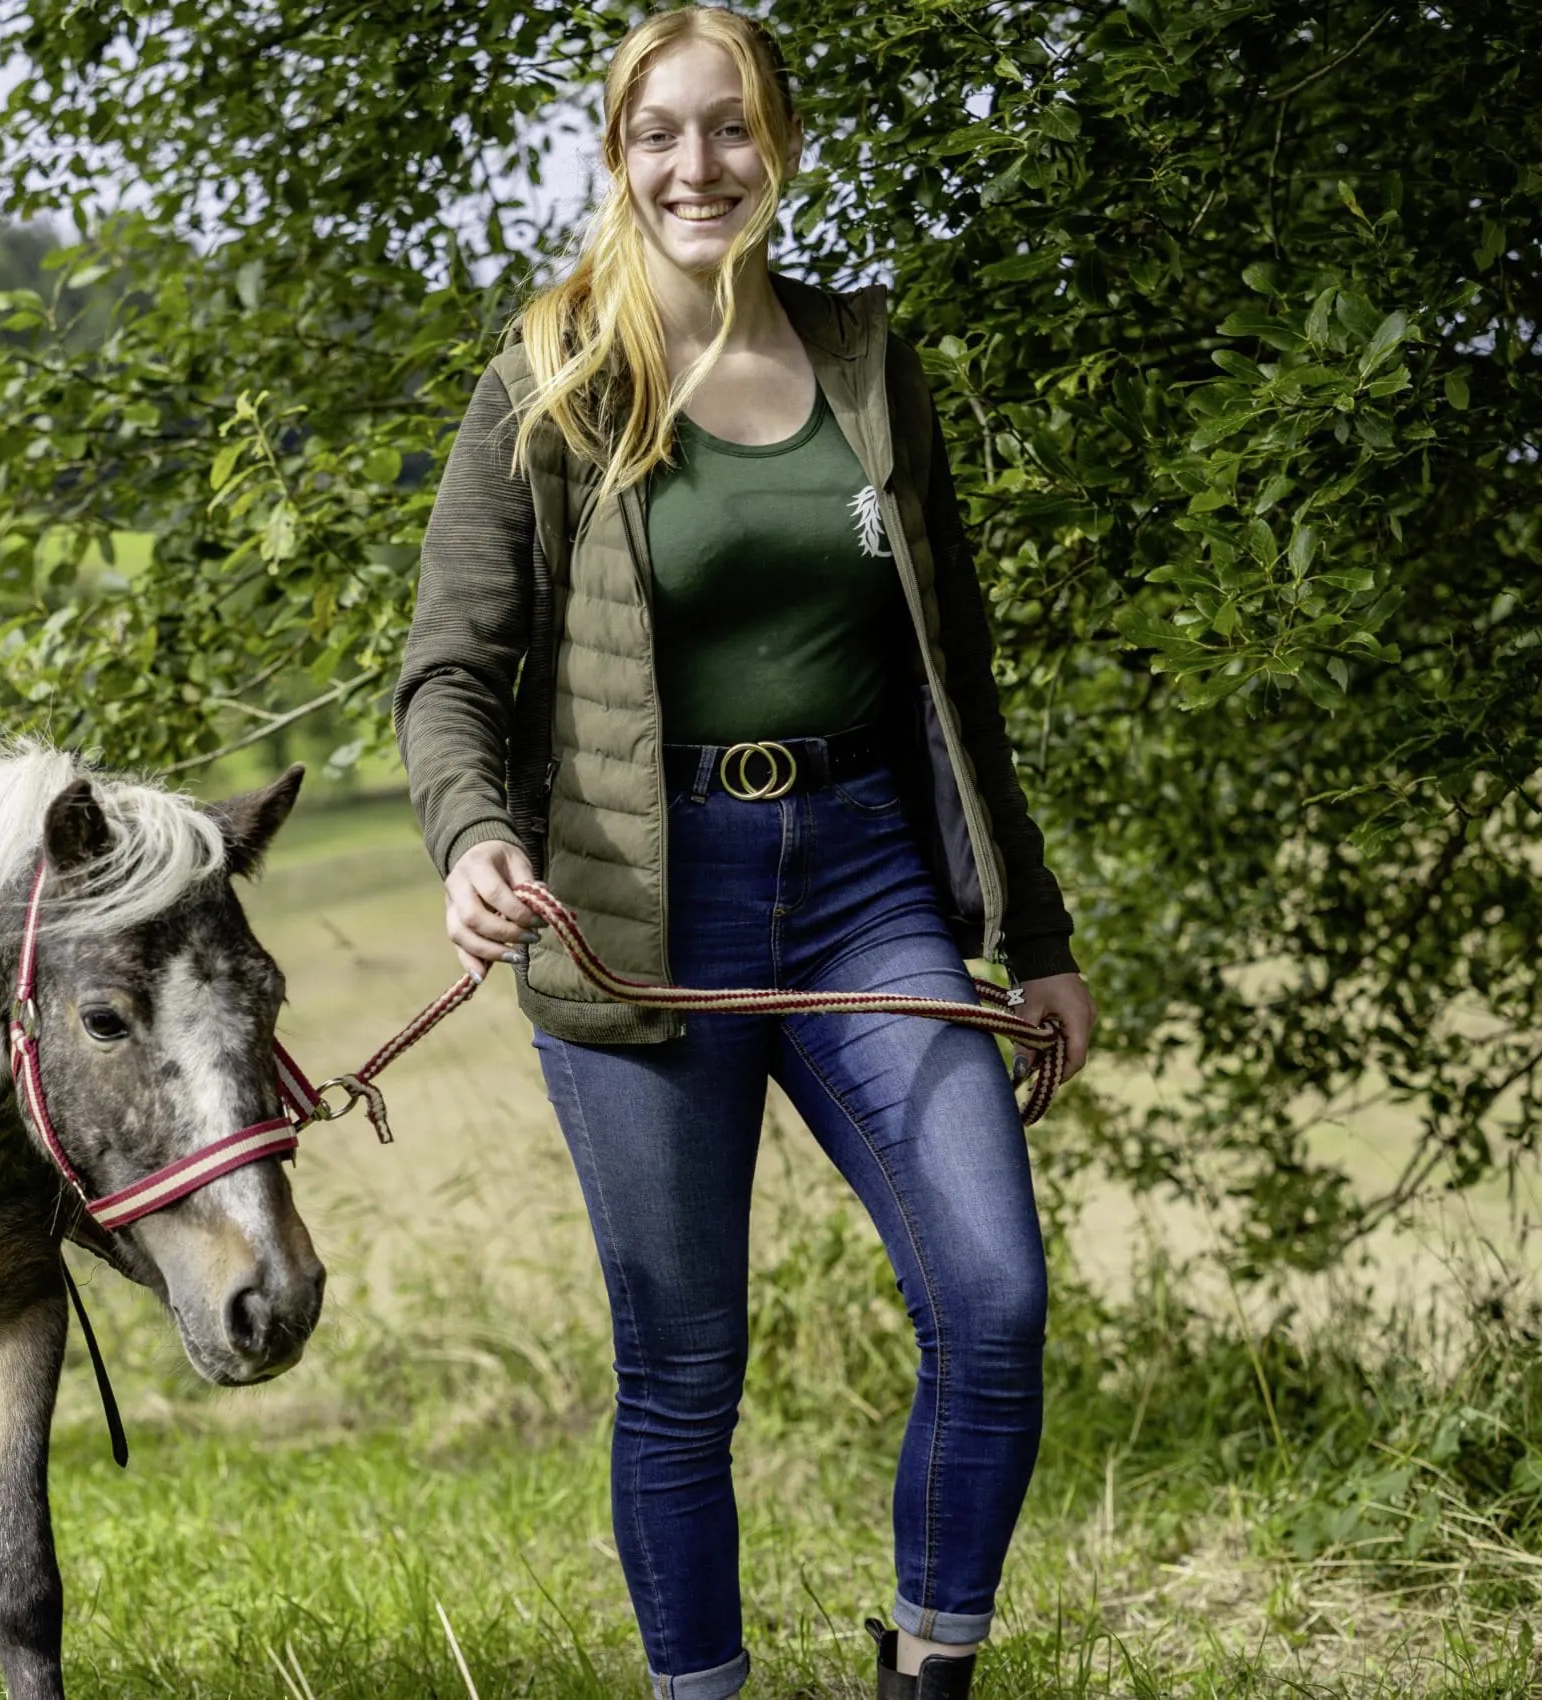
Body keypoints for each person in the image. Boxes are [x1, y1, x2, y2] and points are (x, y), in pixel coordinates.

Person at [393, 11, 1098, 1698]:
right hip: (644, 892)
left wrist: (1038, 930)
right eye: (658, 134)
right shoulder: (552, 371)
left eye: (728, 130)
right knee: (685, 1369)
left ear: (778, 144)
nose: (695, 167)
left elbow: (958, 664)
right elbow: (450, 666)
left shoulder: (865, 359)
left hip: (867, 885)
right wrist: (475, 834)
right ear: (616, 154)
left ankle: (932, 1669)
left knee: (994, 1303)